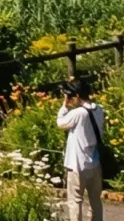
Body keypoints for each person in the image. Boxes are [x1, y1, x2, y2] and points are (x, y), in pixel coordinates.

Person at [58, 79, 108, 221]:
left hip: (77, 164)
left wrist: (65, 105)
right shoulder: (99, 109)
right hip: (94, 161)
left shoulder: (79, 113)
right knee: (95, 202)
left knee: (75, 202)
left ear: (77, 96)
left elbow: (60, 123)